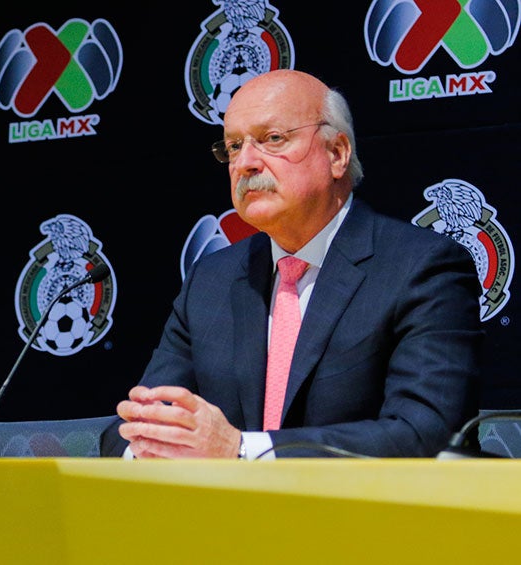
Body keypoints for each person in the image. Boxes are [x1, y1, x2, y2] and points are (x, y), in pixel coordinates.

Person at [101, 69, 482, 459]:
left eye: (272, 139)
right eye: (233, 146)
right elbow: (127, 431)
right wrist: (148, 448)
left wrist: (240, 451)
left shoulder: (419, 268)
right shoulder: (210, 282)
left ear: (336, 154)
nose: (245, 163)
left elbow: (426, 434)